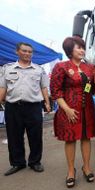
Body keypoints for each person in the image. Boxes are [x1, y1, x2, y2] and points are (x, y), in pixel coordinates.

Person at [50, 37, 95, 188]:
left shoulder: (90, 68)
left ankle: (86, 167)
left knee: (86, 137)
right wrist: (67, 109)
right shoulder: (61, 66)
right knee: (70, 139)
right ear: (70, 50)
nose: (82, 50)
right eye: (79, 47)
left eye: (83, 48)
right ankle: (71, 171)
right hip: (68, 110)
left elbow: (93, 87)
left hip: (87, 109)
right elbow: (56, 91)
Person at [0, 42, 50, 176]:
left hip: (33, 107)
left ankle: (35, 162)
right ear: (17, 51)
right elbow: (3, 88)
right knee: (14, 136)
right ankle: (18, 163)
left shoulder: (39, 69)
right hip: (13, 107)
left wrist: (47, 103)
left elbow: (44, 87)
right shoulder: (7, 68)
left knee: (35, 136)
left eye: (30, 52)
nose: (27, 53)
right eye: (24, 51)